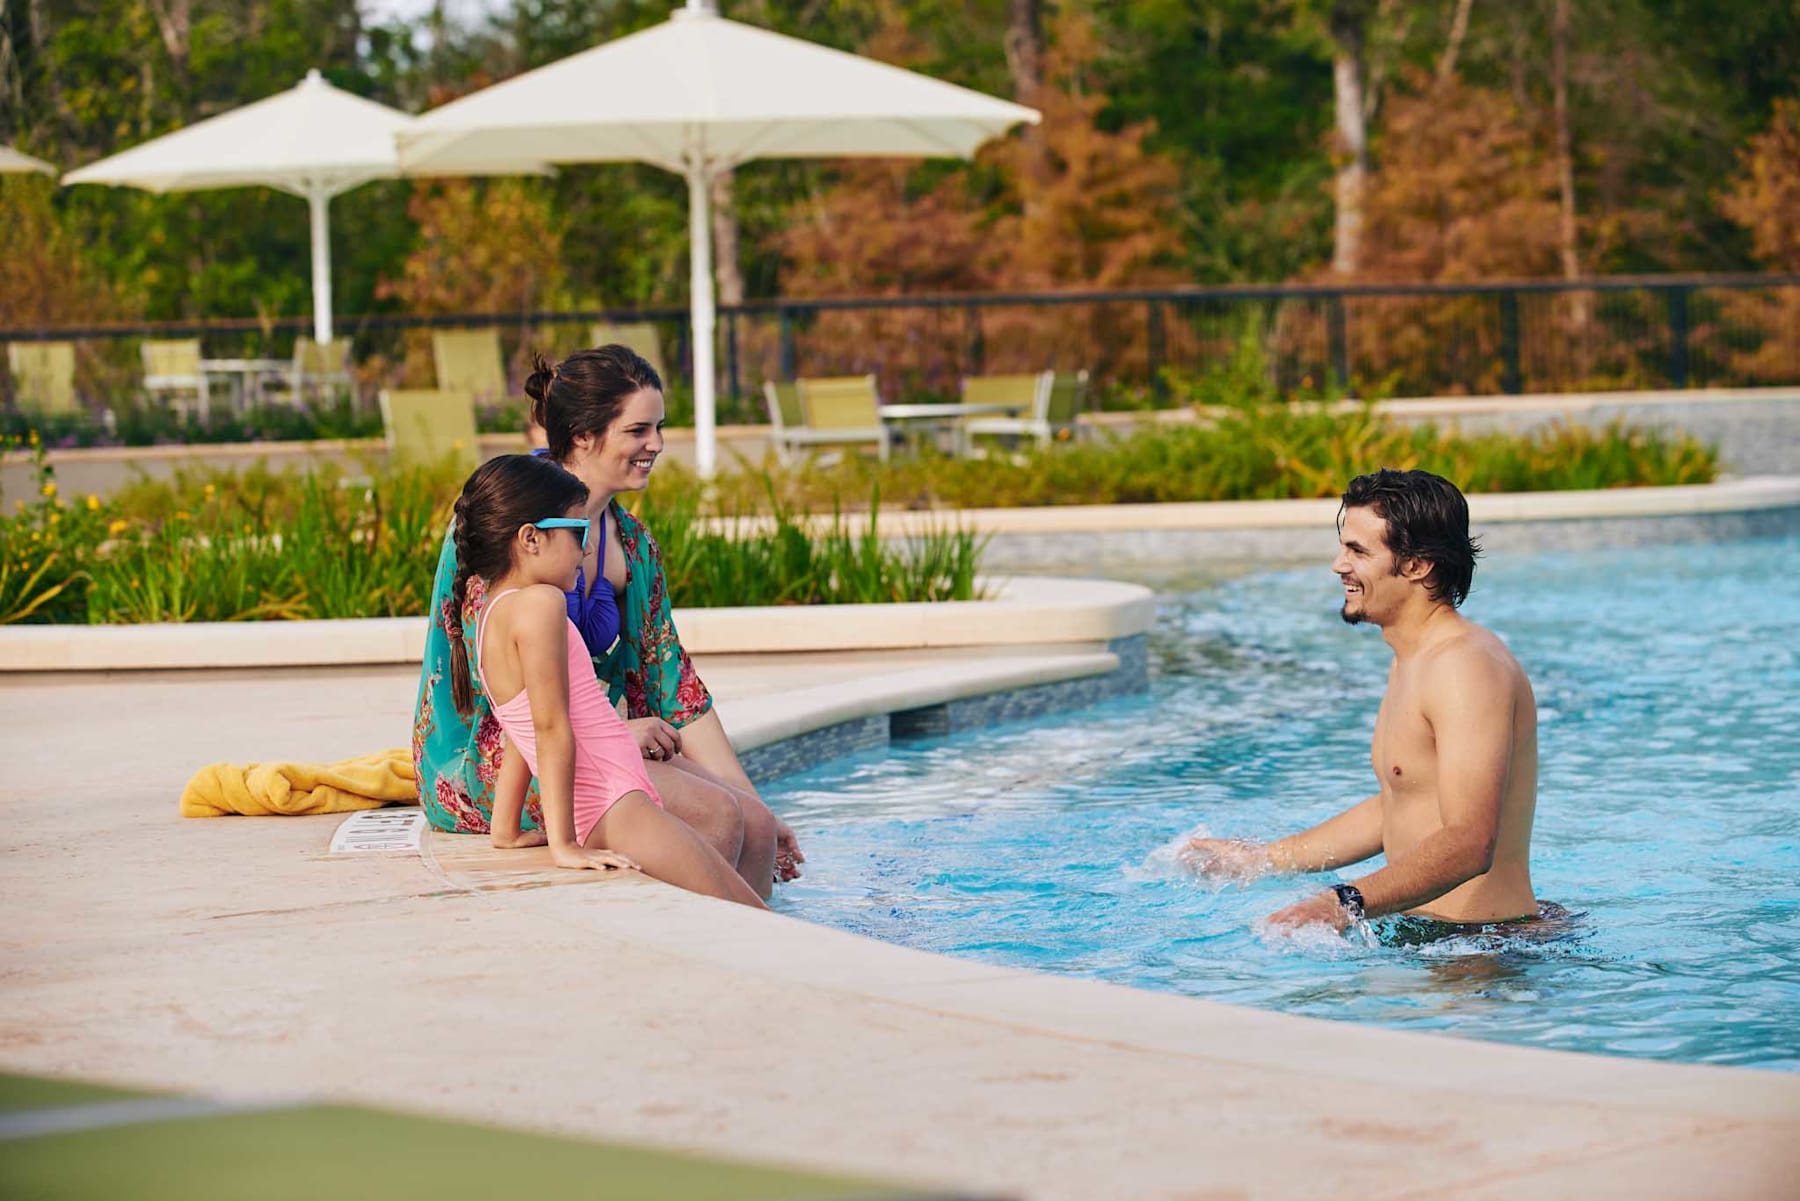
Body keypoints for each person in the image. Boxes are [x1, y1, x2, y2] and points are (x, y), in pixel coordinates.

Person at [412, 345, 802, 898]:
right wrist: (618, 730)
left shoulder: (634, 546)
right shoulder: (508, 526)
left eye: (660, 428)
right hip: (497, 760)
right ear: (583, 436)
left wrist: (761, 803)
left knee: (754, 822)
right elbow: (511, 705)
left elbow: (675, 685)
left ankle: (766, 960)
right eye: (638, 430)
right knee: (716, 814)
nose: (657, 445)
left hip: (588, 741)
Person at [1186, 468, 1543, 937]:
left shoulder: (1464, 667)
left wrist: (1342, 903)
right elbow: (1399, 804)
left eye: (1357, 550)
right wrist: (1264, 859)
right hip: (1435, 939)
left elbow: (1471, 841)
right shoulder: (1413, 660)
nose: (1338, 565)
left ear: (1417, 565)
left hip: (1484, 952)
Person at [446, 454, 763, 908]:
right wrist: (565, 845)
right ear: (530, 539)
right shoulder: (541, 606)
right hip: (614, 804)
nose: (588, 548)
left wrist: (506, 828)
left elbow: (521, 728)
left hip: (614, 799)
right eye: (577, 533)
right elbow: (551, 729)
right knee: (750, 918)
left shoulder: (495, 613)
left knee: (746, 914)